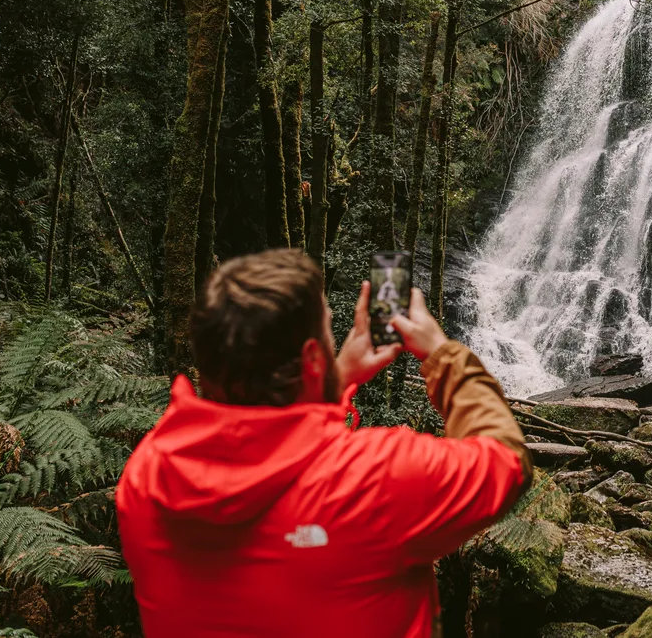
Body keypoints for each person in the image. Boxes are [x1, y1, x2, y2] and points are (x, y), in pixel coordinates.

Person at [116, 249, 531, 637]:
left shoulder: (146, 475)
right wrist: (440, 352)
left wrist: (334, 384)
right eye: (330, 330)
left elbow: (265, 446)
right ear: (314, 357)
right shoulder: (377, 477)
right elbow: (507, 462)